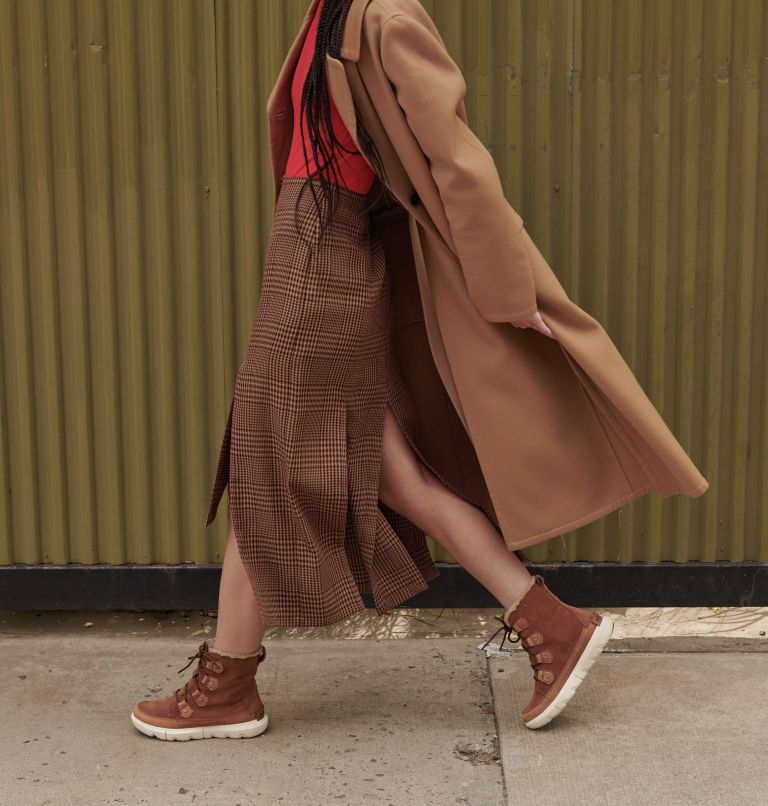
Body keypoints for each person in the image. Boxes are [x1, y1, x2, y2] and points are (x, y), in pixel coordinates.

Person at [129, 0, 619, 741]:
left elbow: (457, 158)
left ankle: (229, 682)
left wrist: (508, 289)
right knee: (394, 476)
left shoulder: (386, 17)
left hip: (322, 274)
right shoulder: (332, 10)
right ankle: (550, 623)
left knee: (266, 464)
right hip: (304, 255)